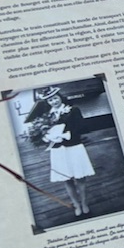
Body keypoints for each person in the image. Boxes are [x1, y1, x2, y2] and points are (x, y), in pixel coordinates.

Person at [26, 87, 96, 219]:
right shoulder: (47, 116)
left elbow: (82, 127)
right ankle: (76, 204)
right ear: (48, 102)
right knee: (66, 179)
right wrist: (46, 138)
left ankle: (84, 203)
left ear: (60, 97)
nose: (53, 102)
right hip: (58, 150)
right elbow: (42, 131)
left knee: (80, 177)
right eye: (50, 100)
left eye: (55, 98)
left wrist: (66, 135)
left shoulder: (72, 110)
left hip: (74, 147)